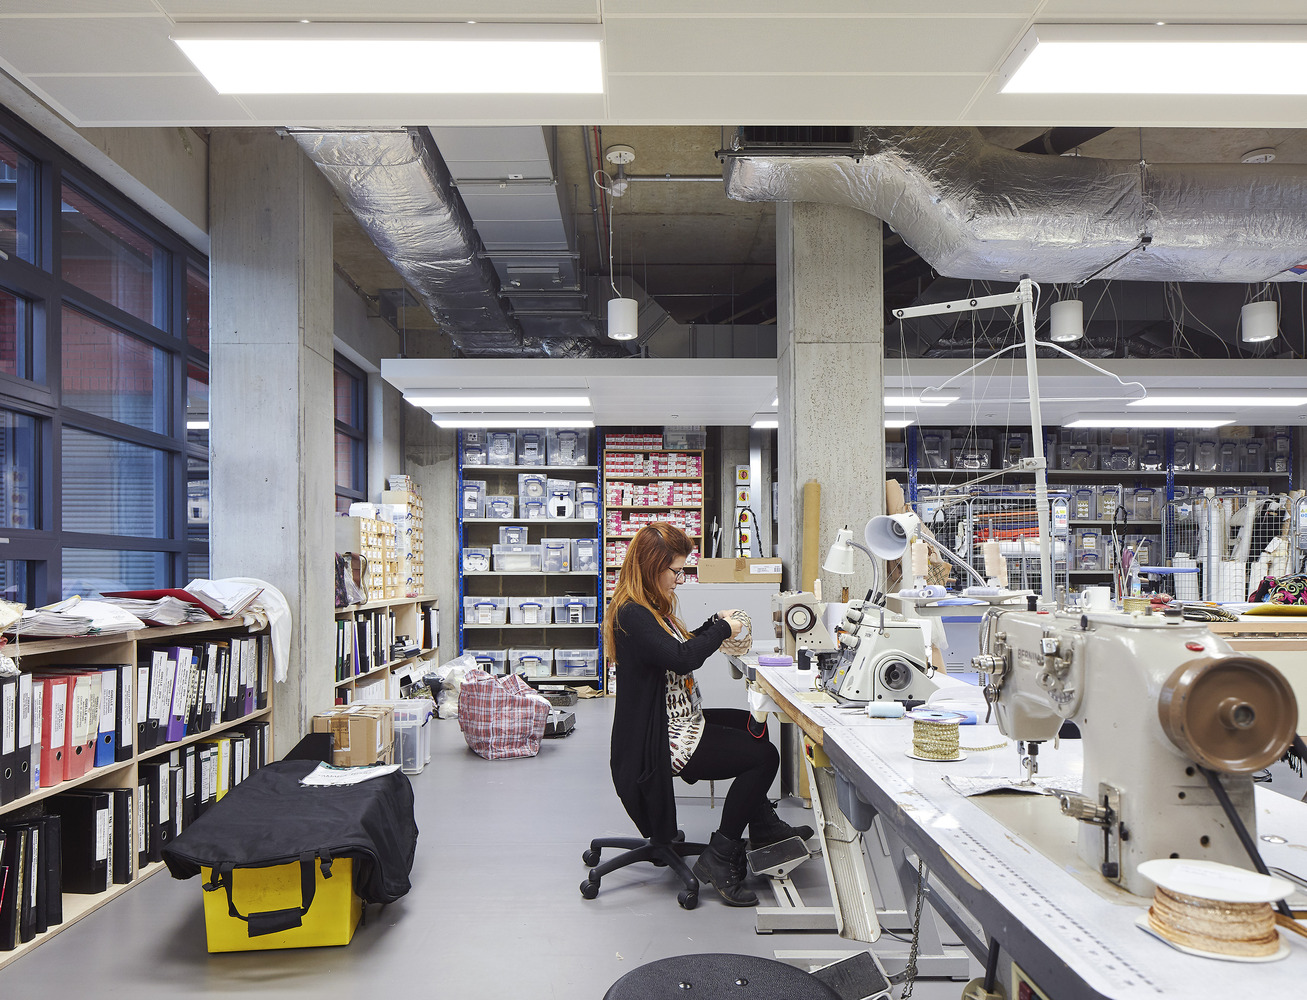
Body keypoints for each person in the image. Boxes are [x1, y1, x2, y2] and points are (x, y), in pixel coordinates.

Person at [603, 521, 813, 906]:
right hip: (662, 737)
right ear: (652, 566)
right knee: (764, 757)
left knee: (751, 724)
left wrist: (713, 625)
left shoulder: (651, 608)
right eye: (675, 570)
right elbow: (682, 659)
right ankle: (721, 854)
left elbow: (677, 646)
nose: (679, 579)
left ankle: (763, 825)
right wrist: (723, 630)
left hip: (677, 719)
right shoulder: (632, 613)